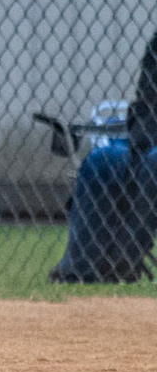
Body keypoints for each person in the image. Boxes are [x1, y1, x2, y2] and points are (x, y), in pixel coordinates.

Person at [51, 29, 157, 283]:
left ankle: (123, 259)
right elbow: (145, 104)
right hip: (149, 132)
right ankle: (79, 268)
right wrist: (141, 140)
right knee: (103, 160)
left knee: (155, 163)